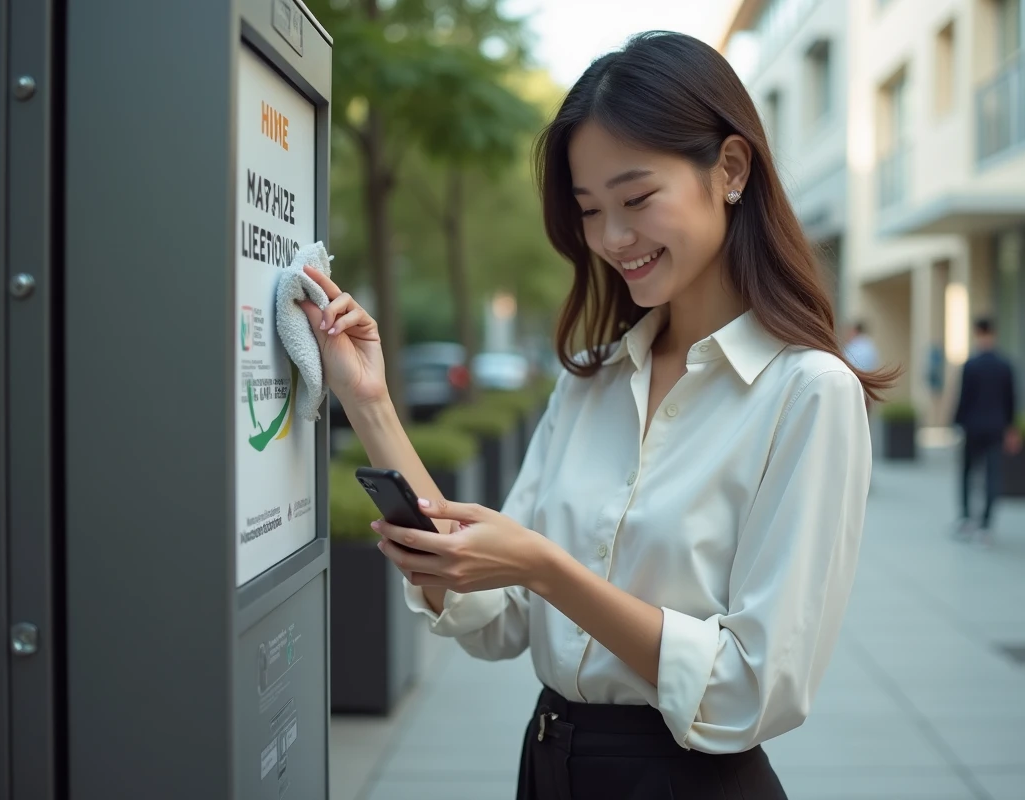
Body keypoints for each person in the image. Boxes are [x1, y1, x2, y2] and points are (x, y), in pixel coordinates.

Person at [300, 31, 891, 800]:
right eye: (589, 211)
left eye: (638, 198)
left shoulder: (809, 393)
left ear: (731, 170)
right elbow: (494, 619)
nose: (613, 239)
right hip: (550, 767)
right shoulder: (593, 383)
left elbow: (753, 689)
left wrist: (547, 569)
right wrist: (368, 400)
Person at [953, 317, 1020, 544]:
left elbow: (964, 399)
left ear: (977, 334)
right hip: (996, 427)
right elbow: (1011, 400)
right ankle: (986, 524)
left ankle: (966, 518)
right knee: (993, 475)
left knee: (968, 473)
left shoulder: (971, 365)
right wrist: (1011, 428)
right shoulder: (1005, 365)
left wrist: (957, 423)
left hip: (972, 427)